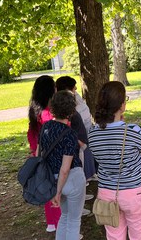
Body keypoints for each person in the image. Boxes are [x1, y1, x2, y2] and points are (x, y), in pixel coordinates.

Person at [89, 81, 141, 240]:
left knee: (114, 236)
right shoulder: (133, 131)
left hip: (106, 192)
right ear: (121, 105)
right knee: (139, 236)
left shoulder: (92, 132)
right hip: (135, 193)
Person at [39, 90, 86, 240]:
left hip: (54, 178)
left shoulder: (45, 128)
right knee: (74, 220)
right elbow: (65, 169)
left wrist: (55, 189)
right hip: (71, 179)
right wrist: (58, 192)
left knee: (64, 217)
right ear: (71, 111)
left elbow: (39, 155)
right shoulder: (70, 134)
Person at [56, 76, 96, 216]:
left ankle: (79, 199)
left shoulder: (71, 104)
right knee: (74, 175)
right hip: (76, 147)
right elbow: (65, 170)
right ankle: (77, 208)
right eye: (73, 87)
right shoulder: (67, 111)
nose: (76, 90)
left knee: (78, 175)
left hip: (80, 144)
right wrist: (80, 143)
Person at [27, 75, 61, 233]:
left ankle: (51, 222)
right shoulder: (48, 114)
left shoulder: (35, 111)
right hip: (50, 157)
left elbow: (31, 134)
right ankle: (59, 223)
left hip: (38, 155)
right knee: (55, 190)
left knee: (46, 187)